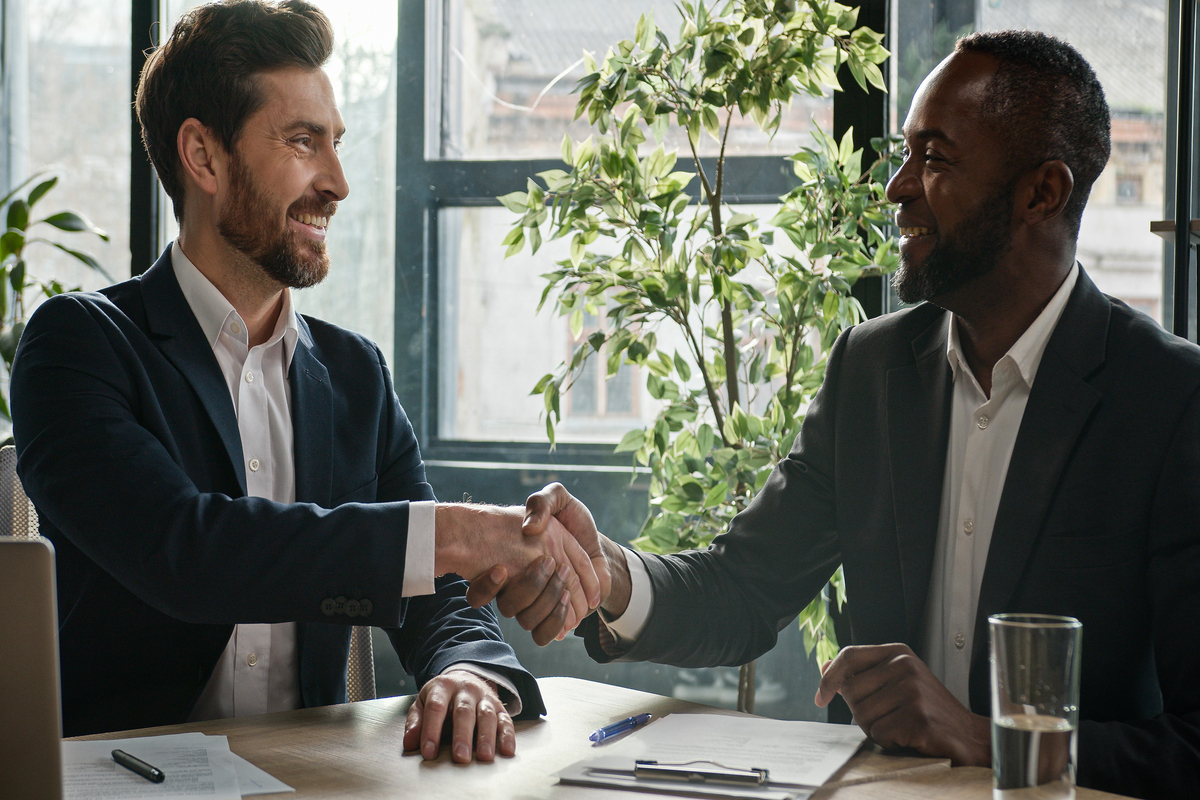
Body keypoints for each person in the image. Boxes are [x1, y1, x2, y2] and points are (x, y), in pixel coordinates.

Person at [470, 30, 1200, 797]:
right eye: (906, 154)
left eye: (937, 159)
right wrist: (611, 573)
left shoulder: (1172, 403)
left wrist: (982, 739)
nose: (898, 187)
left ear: (1042, 193)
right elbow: (745, 589)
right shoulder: (872, 370)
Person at [9, 0, 601, 763]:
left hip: (311, 779)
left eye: (337, 144)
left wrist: (467, 672)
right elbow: (187, 553)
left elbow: (441, 596)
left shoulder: (356, 374)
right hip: (119, 781)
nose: (339, 182)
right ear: (204, 157)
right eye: (302, 142)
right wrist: (457, 530)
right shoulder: (78, 346)